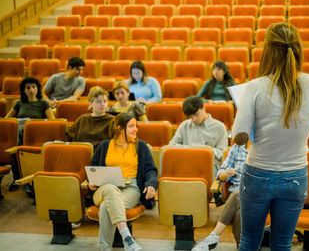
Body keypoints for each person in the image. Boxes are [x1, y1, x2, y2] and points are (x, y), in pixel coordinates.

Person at [232, 22, 309, 250]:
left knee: (249, 240)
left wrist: (246, 115)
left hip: (258, 174)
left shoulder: (256, 87)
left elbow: (239, 137)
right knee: (282, 243)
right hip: (295, 174)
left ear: (268, 51)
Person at [89, 112, 158, 251]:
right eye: (131, 126)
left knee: (105, 208)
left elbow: (151, 170)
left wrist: (151, 184)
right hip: (104, 188)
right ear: (120, 128)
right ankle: (127, 237)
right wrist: (92, 181)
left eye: (136, 126)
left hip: (130, 188)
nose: (136, 129)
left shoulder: (141, 147)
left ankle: (105, 248)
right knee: (110, 189)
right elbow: (93, 168)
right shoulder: (104, 146)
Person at [192, 144, 247, 251]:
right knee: (239, 213)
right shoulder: (237, 148)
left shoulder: (267, 147)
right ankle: (244, 247)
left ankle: (214, 237)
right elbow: (220, 174)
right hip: (238, 197)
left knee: (237, 194)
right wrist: (225, 174)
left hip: (259, 193)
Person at [6, 76, 55, 190]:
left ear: (38, 89)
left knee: (17, 142)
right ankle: (17, 177)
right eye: (28, 88)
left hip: (37, 135)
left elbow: (53, 122)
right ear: (24, 90)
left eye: (34, 87)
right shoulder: (19, 103)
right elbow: (7, 120)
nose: (31, 90)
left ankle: (31, 179)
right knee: (15, 143)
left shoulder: (43, 104)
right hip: (20, 133)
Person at [169, 95, 228, 175]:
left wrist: (203, 150)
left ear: (204, 107)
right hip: (186, 166)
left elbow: (222, 154)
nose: (193, 119)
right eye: (190, 116)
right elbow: (171, 146)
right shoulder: (184, 125)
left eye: (196, 114)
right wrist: (191, 149)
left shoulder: (219, 127)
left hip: (208, 168)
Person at [66, 86, 114, 150]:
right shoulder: (82, 119)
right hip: (81, 152)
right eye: (98, 102)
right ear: (91, 104)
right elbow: (68, 137)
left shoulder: (113, 120)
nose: (102, 104)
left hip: (101, 156)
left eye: (105, 101)